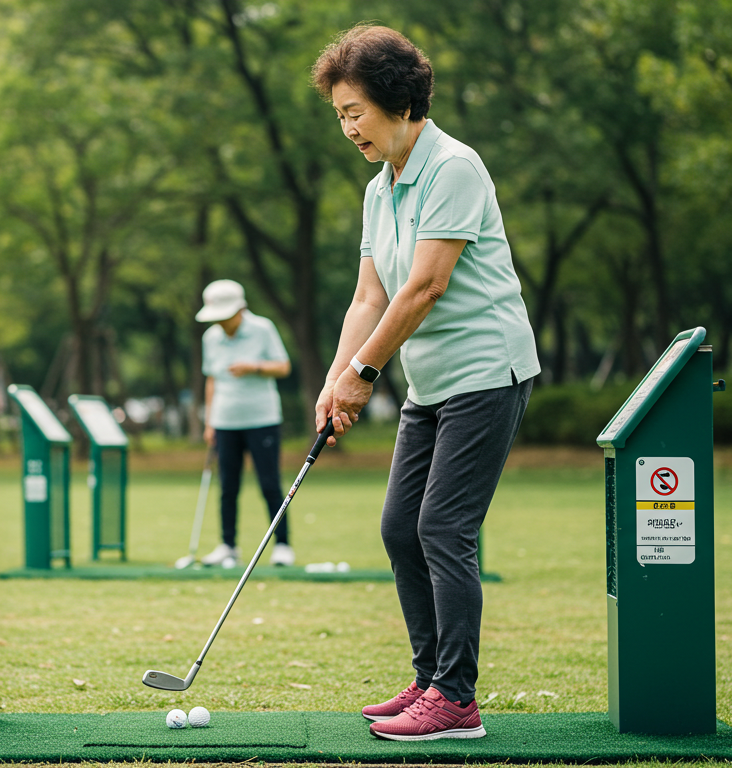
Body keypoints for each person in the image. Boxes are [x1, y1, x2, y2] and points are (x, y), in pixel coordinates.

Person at [310, 26, 539, 741]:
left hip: (487, 371)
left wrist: (364, 374)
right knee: (399, 527)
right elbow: (369, 297)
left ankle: (456, 699)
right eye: (340, 116)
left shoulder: (453, 167)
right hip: (430, 382)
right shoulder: (379, 188)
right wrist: (336, 378)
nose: (349, 128)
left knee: (442, 527)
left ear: (400, 102)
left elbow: (425, 287)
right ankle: (429, 678)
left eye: (355, 112)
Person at [195, 279, 295, 568]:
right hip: (225, 421)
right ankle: (228, 545)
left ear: (240, 309)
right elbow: (211, 380)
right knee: (228, 486)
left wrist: (254, 366)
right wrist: (210, 422)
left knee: (269, 483)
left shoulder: (262, 328)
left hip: (262, 419)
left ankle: (282, 544)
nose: (220, 322)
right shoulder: (210, 337)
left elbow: (283, 366)